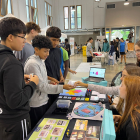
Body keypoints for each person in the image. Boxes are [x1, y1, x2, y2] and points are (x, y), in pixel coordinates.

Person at [0, 17, 39, 140]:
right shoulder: (12, 63)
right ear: (11, 37)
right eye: (22, 37)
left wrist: (19, 78)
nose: (25, 41)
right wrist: (33, 84)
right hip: (15, 121)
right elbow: (15, 101)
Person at [24, 35, 74, 129]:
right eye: (45, 51)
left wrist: (49, 81)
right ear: (36, 49)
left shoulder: (41, 60)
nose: (48, 54)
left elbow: (40, 80)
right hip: (36, 104)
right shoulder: (33, 63)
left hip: (43, 100)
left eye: (48, 51)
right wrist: (62, 87)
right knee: (37, 128)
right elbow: (41, 86)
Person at [75, 65, 140, 115]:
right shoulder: (122, 89)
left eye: (124, 76)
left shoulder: (136, 109)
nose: (120, 78)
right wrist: (85, 85)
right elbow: (105, 89)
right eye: (121, 75)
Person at [114, 75, 140, 140]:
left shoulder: (133, 123)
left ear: (129, 90)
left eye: (122, 85)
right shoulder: (135, 108)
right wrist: (121, 119)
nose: (119, 88)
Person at [45, 26, 65, 107]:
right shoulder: (43, 51)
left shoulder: (58, 51)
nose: (56, 42)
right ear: (47, 37)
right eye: (53, 40)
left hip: (57, 83)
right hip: (47, 85)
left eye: (57, 40)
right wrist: (50, 79)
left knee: (57, 105)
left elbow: (58, 66)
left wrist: (61, 76)